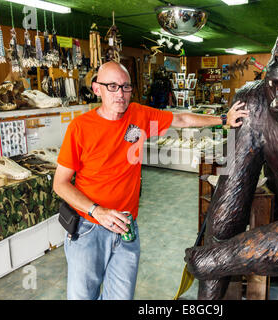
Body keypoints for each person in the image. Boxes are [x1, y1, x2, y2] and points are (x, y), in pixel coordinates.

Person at [53, 61, 249, 300]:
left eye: (125, 87)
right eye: (112, 86)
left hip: (126, 226)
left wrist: (223, 119)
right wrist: (98, 211)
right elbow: (60, 183)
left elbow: (182, 120)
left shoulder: (139, 114)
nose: (120, 94)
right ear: (97, 89)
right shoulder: (80, 128)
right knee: (83, 296)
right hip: (89, 228)